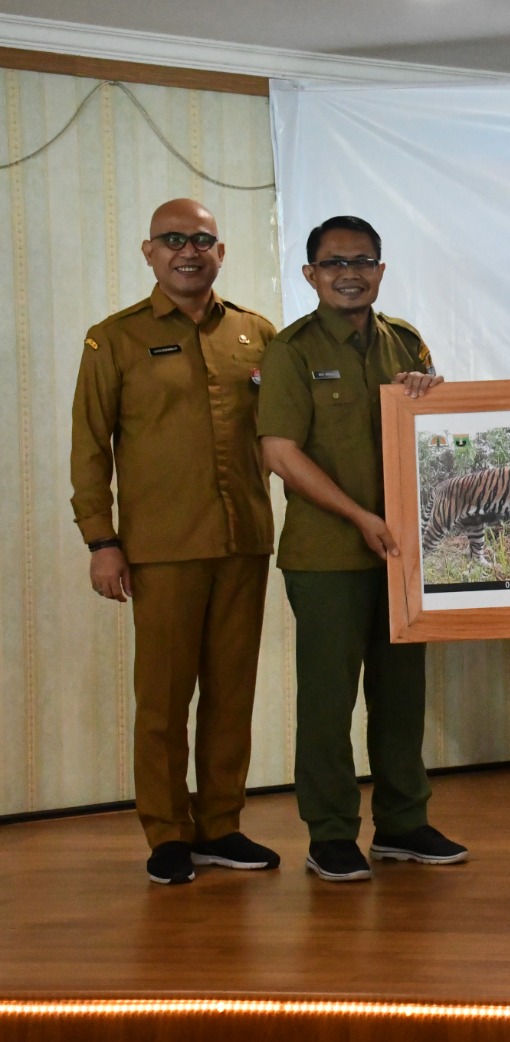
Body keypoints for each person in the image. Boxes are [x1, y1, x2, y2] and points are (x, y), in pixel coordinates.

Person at [71, 199, 280, 886]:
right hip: (159, 549)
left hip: (244, 542)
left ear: (220, 252)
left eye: (202, 240)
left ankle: (221, 825)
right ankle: (167, 834)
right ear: (149, 252)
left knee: (232, 694)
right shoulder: (115, 340)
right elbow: (89, 450)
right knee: (163, 700)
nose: (188, 251)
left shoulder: (257, 335)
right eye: (172, 240)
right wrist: (101, 540)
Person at [258, 216, 466, 883]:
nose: (350, 272)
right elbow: (279, 453)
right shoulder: (291, 352)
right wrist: (357, 515)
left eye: (363, 260)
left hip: (404, 551)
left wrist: (433, 401)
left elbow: (440, 439)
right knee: (328, 699)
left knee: (401, 694)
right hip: (327, 556)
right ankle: (330, 833)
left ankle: (403, 823)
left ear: (380, 269)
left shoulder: (405, 343)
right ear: (311, 274)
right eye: (334, 262)